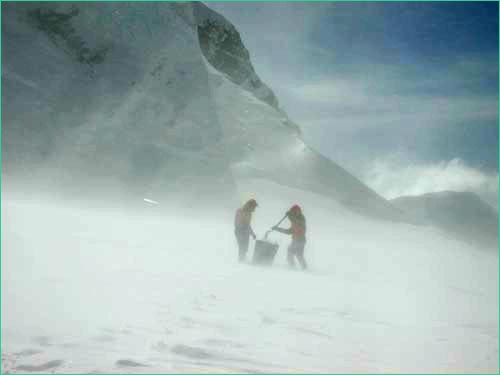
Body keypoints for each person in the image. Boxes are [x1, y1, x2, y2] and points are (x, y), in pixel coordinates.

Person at [273, 204, 307, 270]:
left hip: (300, 240)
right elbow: (289, 232)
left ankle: (294, 268)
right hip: (296, 240)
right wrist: (277, 228)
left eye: (295, 212)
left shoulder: (301, 219)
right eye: (294, 212)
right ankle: (300, 268)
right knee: (297, 255)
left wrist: (290, 216)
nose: (295, 213)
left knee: (293, 254)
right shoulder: (294, 221)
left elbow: (296, 221)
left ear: (298, 212)